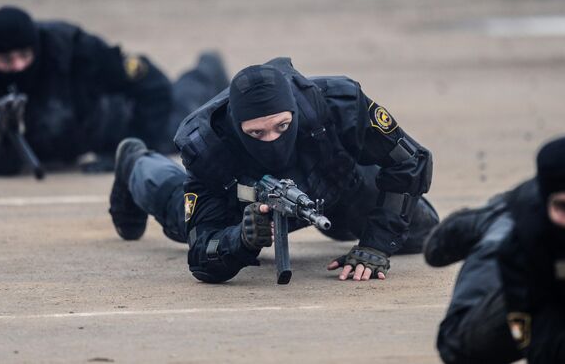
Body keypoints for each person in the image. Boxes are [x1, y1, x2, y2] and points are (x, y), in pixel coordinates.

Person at [108, 57, 440, 283]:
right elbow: (201, 255)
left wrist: (376, 245)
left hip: (339, 183)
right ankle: (135, 162)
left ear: (295, 111)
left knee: (423, 231)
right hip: (242, 205)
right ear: (237, 128)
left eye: (282, 126)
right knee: (176, 213)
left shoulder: (339, 104)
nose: (272, 139)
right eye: (256, 133)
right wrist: (240, 239)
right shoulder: (207, 146)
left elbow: (410, 162)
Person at [424, 135, 565, 363]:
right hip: (545, 269)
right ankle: (497, 220)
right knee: (457, 344)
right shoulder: (523, 243)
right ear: (547, 204)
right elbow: (545, 353)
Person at [0, 6, 228, 175]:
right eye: (6, 60)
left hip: (115, 123)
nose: (17, 66)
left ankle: (207, 70)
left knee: (184, 121)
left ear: (36, 48)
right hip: (60, 144)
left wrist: (130, 150)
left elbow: (152, 85)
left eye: (24, 56)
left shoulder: (75, 50)